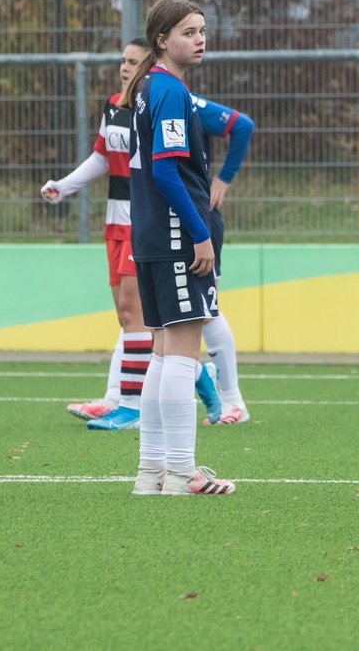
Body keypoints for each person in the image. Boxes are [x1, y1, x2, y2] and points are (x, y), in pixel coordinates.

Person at [44, 41, 255, 428]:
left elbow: (237, 128)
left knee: (194, 316)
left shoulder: (176, 97)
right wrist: (67, 185)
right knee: (137, 319)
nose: (125, 68)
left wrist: (222, 181)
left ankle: (225, 400)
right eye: (122, 61)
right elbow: (105, 158)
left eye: (133, 61)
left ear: (152, 60)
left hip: (177, 223)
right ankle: (123, 400)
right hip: (133, 223)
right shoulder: (123, 104)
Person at [122, 0, 234, 495]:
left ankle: (152, 473)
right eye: (189, 31)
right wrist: (199, 230)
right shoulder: (167, 90)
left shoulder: (150, 86)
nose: (200, 39)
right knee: (182, 353)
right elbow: (166, 170)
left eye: (203, 30)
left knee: (165, 353)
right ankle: (182, 470)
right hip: (172, 234)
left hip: (150, 232)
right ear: (162, 40)